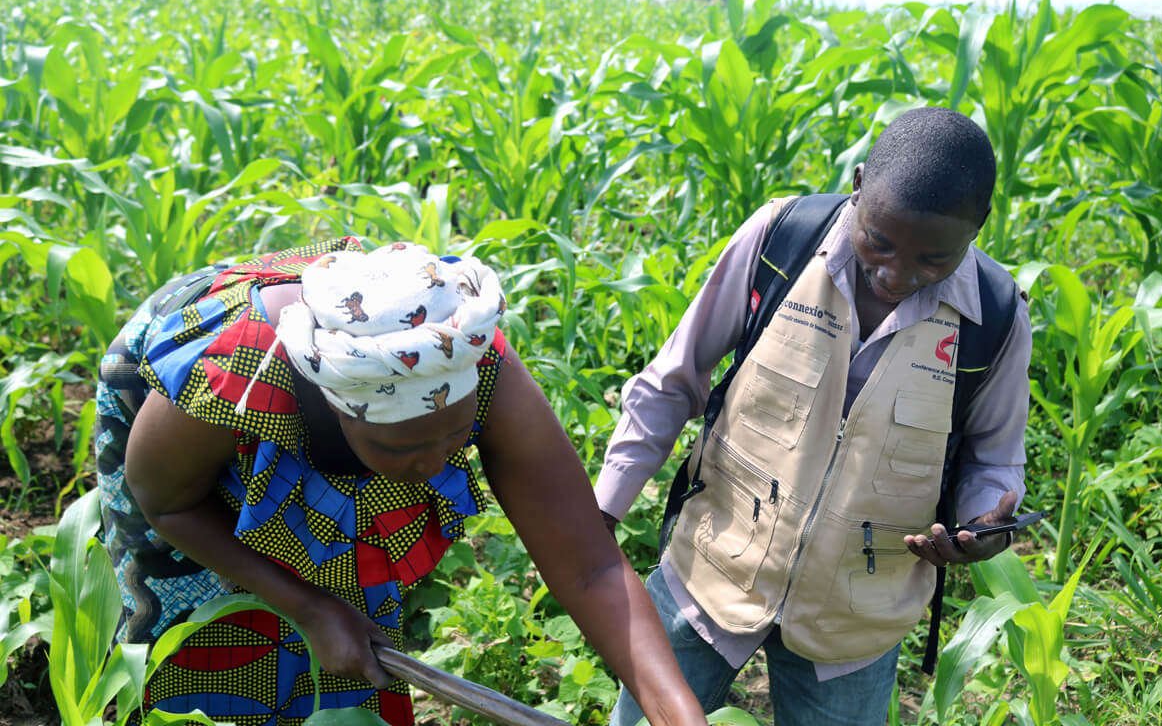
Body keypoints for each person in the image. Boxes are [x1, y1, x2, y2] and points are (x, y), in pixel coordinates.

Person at [96, 238, 706, 725]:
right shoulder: (234, 371)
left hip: (314, 433)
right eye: (403, 445)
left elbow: (591, 569)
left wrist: (677, 714)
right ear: (336, 408)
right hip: (175, 445)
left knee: (350, 641)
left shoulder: (470, 357)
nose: (435, 463)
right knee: (200, 649)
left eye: (455, 435)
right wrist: (307, 607)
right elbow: (164, 502)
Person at [597, 107, 1033, 726]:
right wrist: (604, 509)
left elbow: (993, 458)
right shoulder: (781, 239)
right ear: (857, 185)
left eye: (932, 261)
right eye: (877, 241)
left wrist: (981, 525)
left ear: (977, 227)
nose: (894, 274)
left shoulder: (996, 316)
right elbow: (673, 380)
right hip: (711, 572)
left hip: (855, 617)